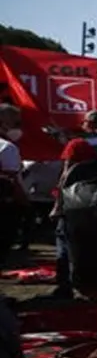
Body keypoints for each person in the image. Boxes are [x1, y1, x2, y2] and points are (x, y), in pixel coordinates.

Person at [50, 131, 97, 298]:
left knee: (64, 246)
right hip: (89, 204)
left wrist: (57, 207)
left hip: (70, 205)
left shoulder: (75, 145)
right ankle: (88, 286)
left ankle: (65, 286)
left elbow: (65, 177)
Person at [0, 104, 26, 266]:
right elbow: (13, 180)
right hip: (5, 205)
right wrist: (24, 203)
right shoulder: (7, 148)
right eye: (16, 122)